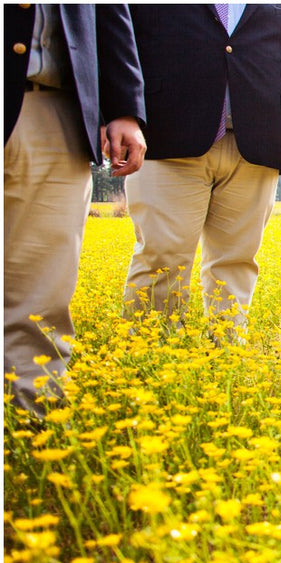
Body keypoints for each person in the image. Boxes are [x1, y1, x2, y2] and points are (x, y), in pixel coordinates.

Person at [121, 4, 281, 339]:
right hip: (167, 135)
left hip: (256, 141)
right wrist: (122, 113)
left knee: (237, 259)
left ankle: (226, 348)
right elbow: (122, 42)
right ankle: (148, 350)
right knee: (161, 255)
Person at [5, 4, 147, 417]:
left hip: (55, 109)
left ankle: (33, 430)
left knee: (42, 294)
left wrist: (124, 106)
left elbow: (109, 11)